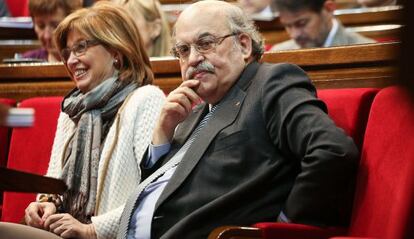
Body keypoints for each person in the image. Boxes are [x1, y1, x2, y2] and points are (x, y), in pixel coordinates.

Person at [116, 1, 359, 238]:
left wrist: (283, 226)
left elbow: (332, 150)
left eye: (205, 43)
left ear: (243, 45)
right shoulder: (191, 112)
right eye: (183, 50)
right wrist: (162, 134)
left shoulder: (271, 83)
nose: (192, 59)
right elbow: (166, 192)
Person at [0, 1, 165, 239]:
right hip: (63, 231)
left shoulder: (145, 100)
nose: (70, 61)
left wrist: (91, 229)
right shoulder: (73, 108)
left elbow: (154, 195)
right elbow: (54, 182)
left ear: (115, 52)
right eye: (68, 53)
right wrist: (46, 204)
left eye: (81, 48)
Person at [271, 0, 375, 51]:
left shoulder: (368, 51)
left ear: (328, 9)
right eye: (288, 26)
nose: (294, 35)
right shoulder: (278, 53)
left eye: (302, 23)